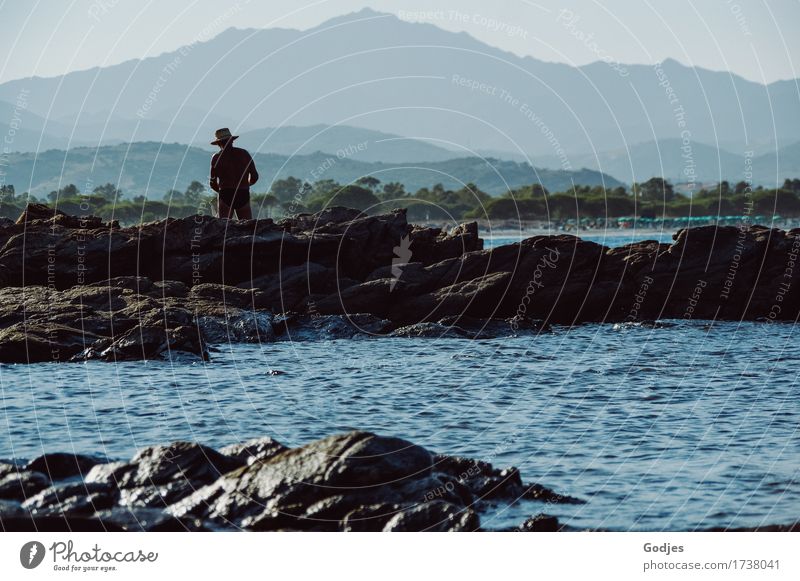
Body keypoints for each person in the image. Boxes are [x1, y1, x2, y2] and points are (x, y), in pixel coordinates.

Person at [209, 128, 258, 219]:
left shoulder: (216, 158)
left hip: (225, 193)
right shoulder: (244, 154)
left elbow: (212, 183)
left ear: (219, 144)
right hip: (243, 192)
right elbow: (255, 177)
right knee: (247, 226)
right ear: (232, 140)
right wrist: (245, 185)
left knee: (224, 227)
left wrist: (221, 192)